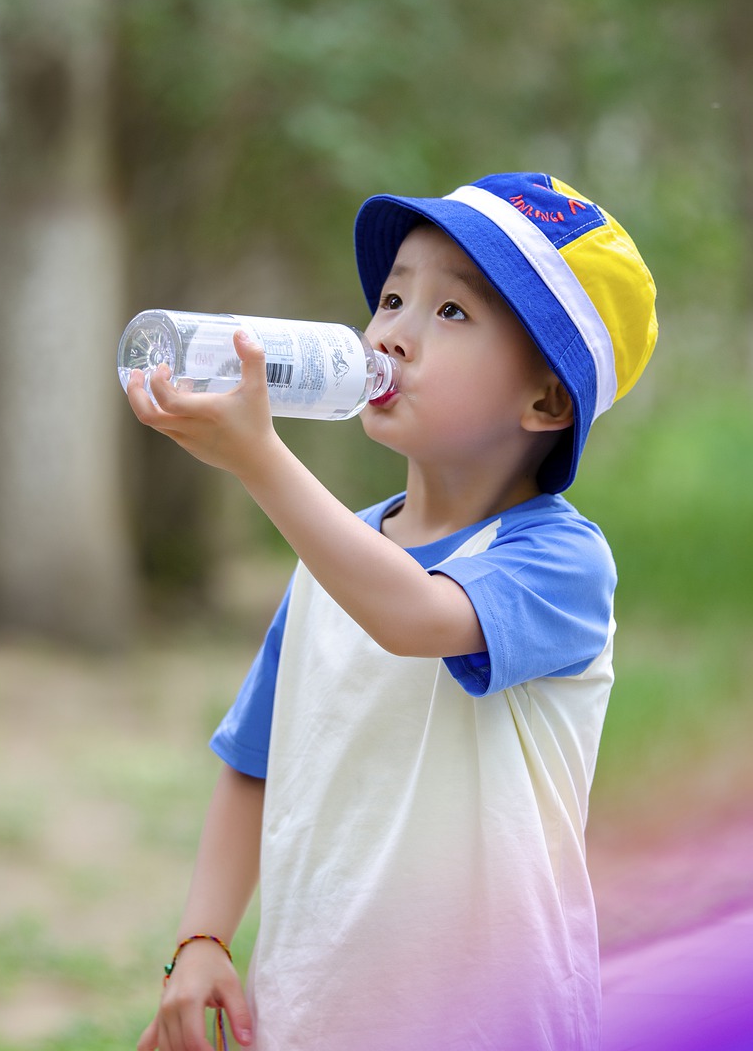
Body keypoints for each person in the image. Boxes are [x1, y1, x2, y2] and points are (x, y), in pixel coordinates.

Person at [130, 171, 658, 1051]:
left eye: (452, 314)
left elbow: (415, 618)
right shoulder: (335, 557)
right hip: (307, 1015)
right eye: (392, 298)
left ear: (547, 401)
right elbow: (253, 761)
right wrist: (202, 938)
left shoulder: (560, 561)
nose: (392, 336)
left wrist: (260, 460)